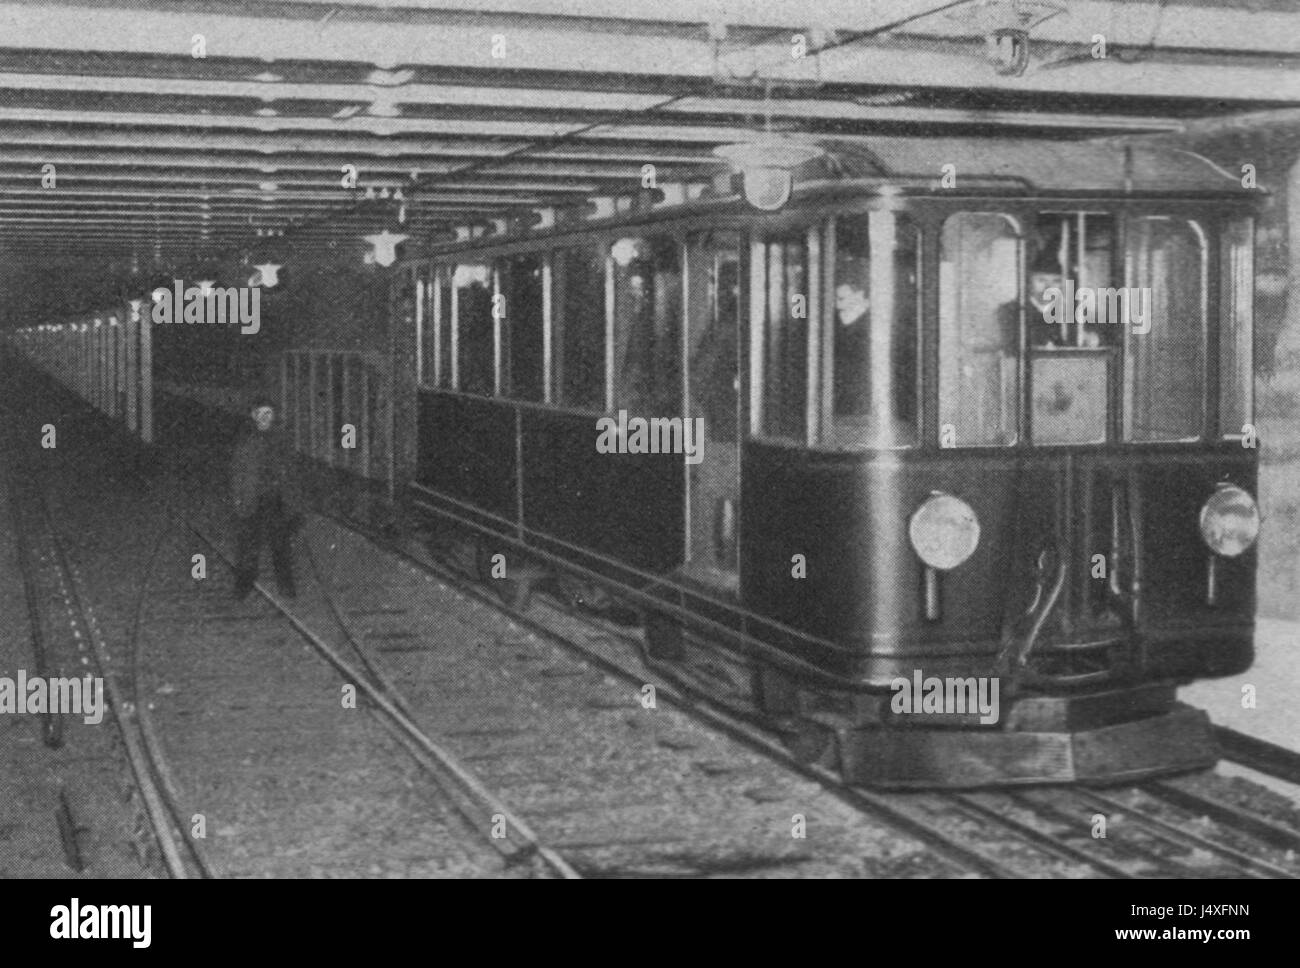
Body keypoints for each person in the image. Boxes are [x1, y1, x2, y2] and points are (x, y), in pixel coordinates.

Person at [231, 395, 303, 599]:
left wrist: (294, 503)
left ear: (273, 416)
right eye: (261, 414)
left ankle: (286, 588)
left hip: (276, 501)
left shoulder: (282, 441)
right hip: (252, 501)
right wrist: (239, 500)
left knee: (280, 546)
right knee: (248, 548)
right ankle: (243, 587)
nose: (265, 418)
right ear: (254, 415)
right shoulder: (246, 442)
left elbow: (292, 473)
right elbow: (238, 473)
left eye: (269, 413)